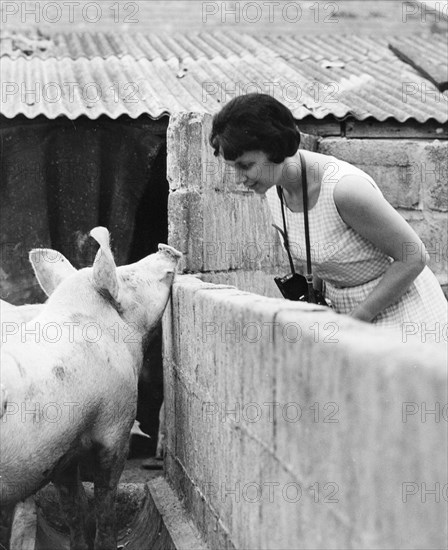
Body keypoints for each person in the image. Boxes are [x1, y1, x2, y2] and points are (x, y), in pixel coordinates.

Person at [209, 93, 447, 329]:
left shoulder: (345, 189)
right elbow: (323, 251)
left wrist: (353, 323)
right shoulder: (273, 188)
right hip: (348, 317)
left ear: (278, 147)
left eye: (246, 166)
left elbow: (414, 257)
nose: (240, 179)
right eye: (233, 168)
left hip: (404, 314)